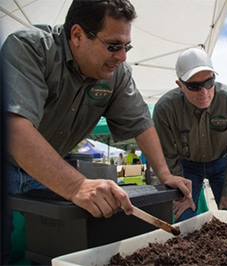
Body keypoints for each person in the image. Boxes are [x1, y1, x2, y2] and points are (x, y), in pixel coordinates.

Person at [1, 1, 192, 264]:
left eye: (127, 47)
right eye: (113, 46)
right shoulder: (30, 48)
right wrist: (76, 184)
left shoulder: (118, 75)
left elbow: (140, 123)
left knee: (58, 247)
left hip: (47, 167)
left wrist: (165, 173)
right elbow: (15, 128)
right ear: (77, 35)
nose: (122, 56)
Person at [153, 48, 227, 222]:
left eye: (209, 83)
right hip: (187, 168)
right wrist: (181, 192)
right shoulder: (165, 109)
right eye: (194, 86)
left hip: (222, 163)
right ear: (180, 85)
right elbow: (167, 155)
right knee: (183, 217)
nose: (204, 93)